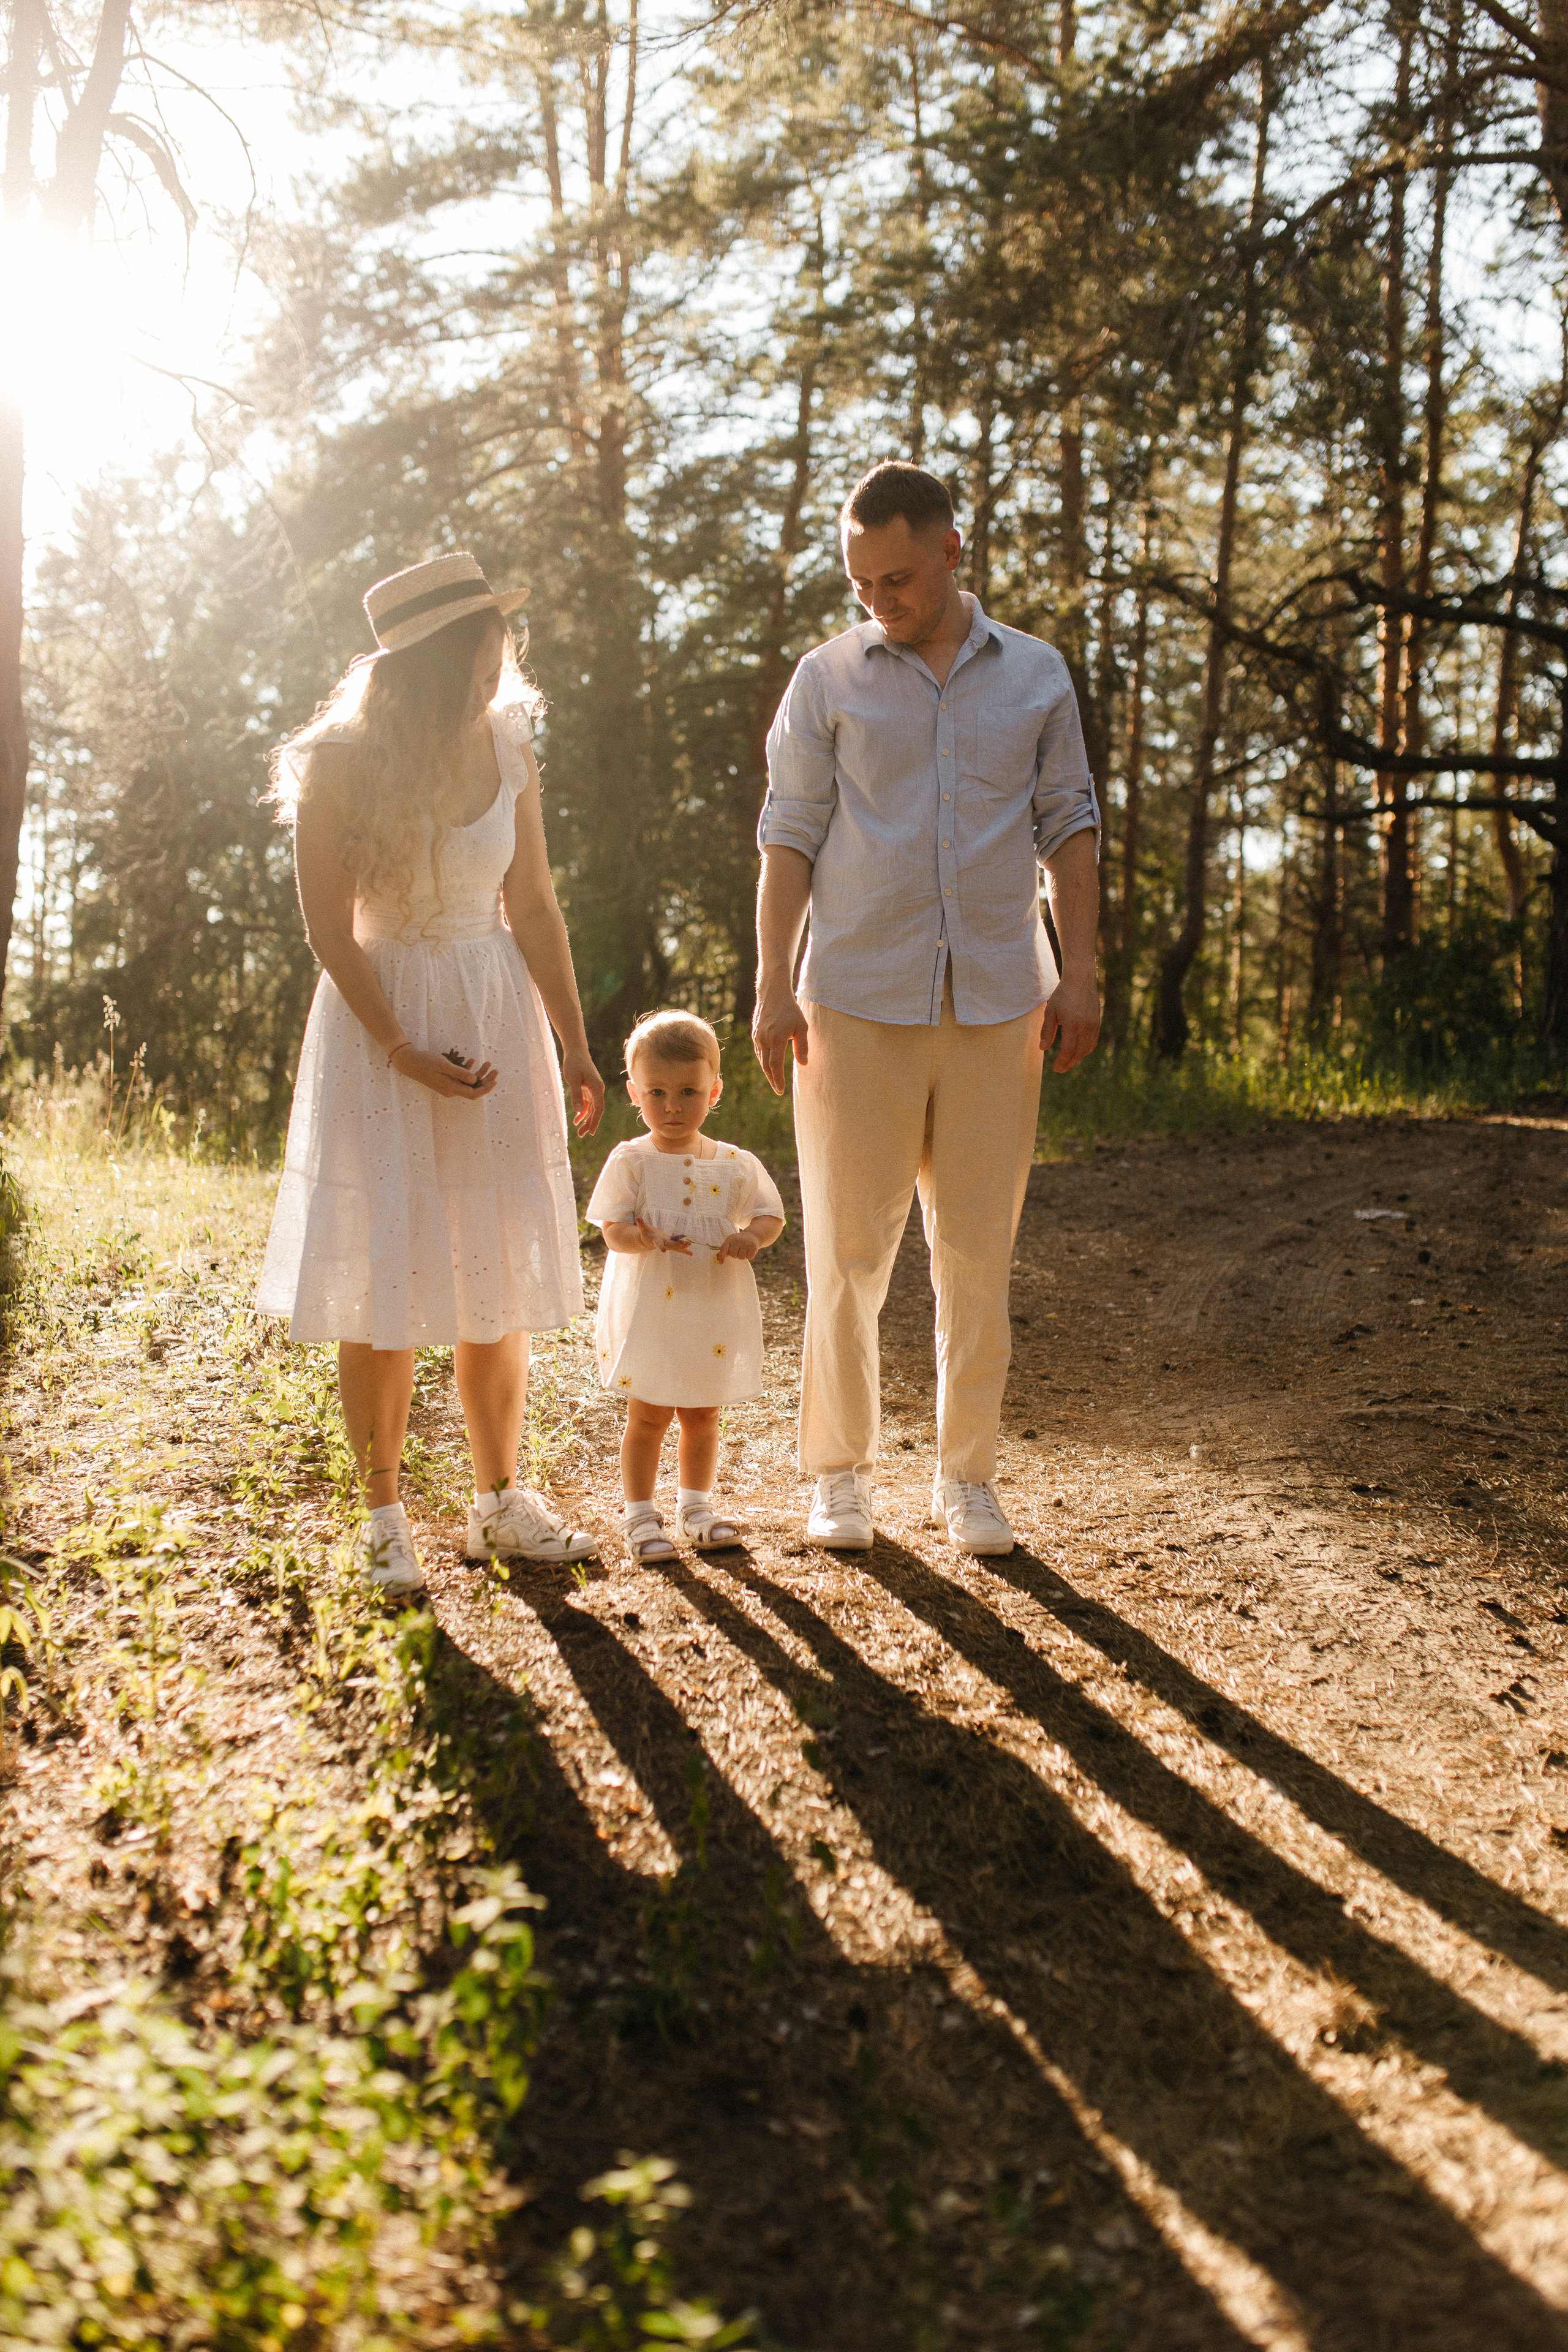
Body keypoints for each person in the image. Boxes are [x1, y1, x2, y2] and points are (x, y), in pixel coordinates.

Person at [752, 462, 1101, 1558]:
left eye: (897, 577)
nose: (879, 600)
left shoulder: (1039, 676)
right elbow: (787, 835)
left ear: (953, 550)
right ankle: (839, 1475)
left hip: (1003, 997)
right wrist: (769, 983)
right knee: (848, 1253)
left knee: (977, 1252)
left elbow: (1071, 831)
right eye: (861, 583)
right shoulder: (826, 679)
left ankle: (968, 1479)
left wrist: (1081, 970)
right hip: (852, 996)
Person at [257, 550, 606, 1597]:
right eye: (494, 631)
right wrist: (401, 1047)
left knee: (493, 1260)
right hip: (382, 1021)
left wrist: (577, 1042)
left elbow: (534, 906)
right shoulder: (338, 759)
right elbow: (329, 930)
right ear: (449, 649)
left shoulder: (510, 741)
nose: (509, 648)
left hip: (495, 1005)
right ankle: (382, 1516)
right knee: (387, 1268)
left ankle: (500, 1501)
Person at [586, 1009, 785, 1561]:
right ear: (634, 1092)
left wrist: (752, 1238)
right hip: (653, 1306)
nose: (672, 1106)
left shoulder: (733, 1164)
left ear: (714, 1090)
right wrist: (642, 1237)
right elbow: (612, 1230)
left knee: (702, 1411)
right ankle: (640, 1516)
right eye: (657, 1092)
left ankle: (696, 1507)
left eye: (688, 1092)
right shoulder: (633, 1160)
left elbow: (770, 1215)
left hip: (710, 1307)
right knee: (648, 1413)